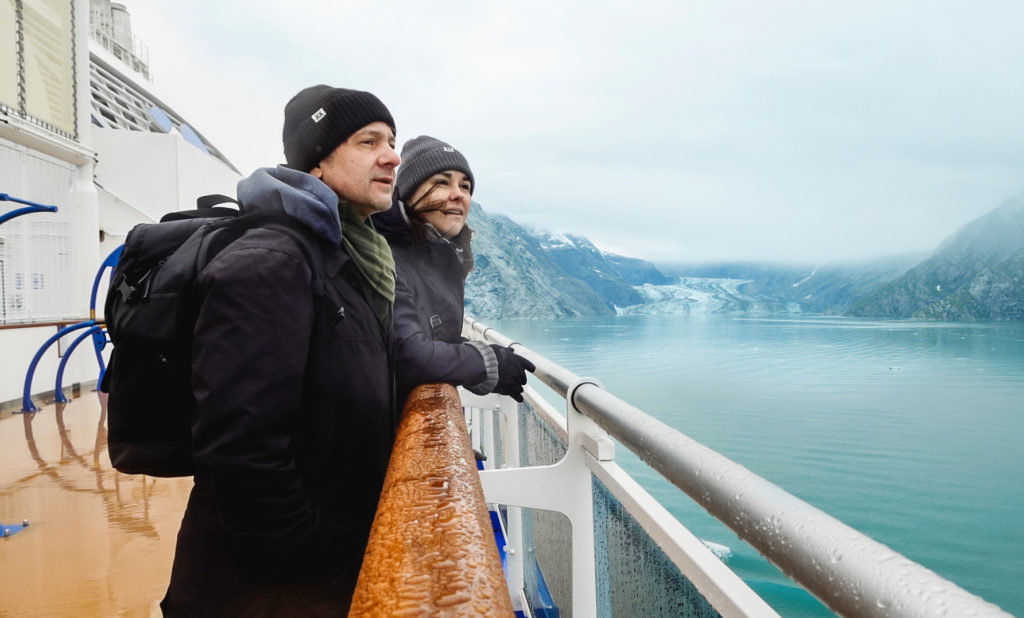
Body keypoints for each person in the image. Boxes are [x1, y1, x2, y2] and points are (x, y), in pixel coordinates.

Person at [161, 85, 401, 616]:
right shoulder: (272, 261)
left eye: (392, 140)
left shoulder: (346, 258)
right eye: (368, 141)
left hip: (311, 571)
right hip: (265, 588)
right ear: (316, 163)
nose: (391, 155)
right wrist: (315, 557)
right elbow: (239, 449)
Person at [373, 135, 534, 407]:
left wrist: (485, 357)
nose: (459, 194)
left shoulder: (441, 256)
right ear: (409, 193)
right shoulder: (387, 254)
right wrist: (488, 363)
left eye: (466, 186)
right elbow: (408, 354)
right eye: (441, 182)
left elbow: (427, 336)